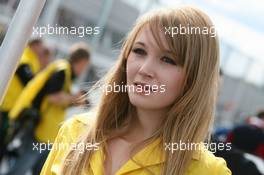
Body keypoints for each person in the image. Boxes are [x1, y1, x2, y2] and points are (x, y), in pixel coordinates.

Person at [41, 6, 231, 175]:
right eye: (139, 51)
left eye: (168, 59)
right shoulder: (75, 131)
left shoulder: (209, 171)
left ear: (194, 78)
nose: (144, 69)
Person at [6, 42, 90, 175]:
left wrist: (73, 100)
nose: (84, 69)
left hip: (47, 133)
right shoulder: (62, 70)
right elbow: (52, 97)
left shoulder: (66, 73)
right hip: (39, 129)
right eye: (85, 66)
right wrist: (75, 98)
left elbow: (57, 101)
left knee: (40, 170)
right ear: (82, 62)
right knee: (19, 169)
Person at [0, 38, 49, 162]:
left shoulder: (32, 60)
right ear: (34, 45)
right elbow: (29, 81)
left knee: (4, 142)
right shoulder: (24, 57)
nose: (41, 51)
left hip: (12, 108)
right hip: (6, 106)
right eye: (40, 47)